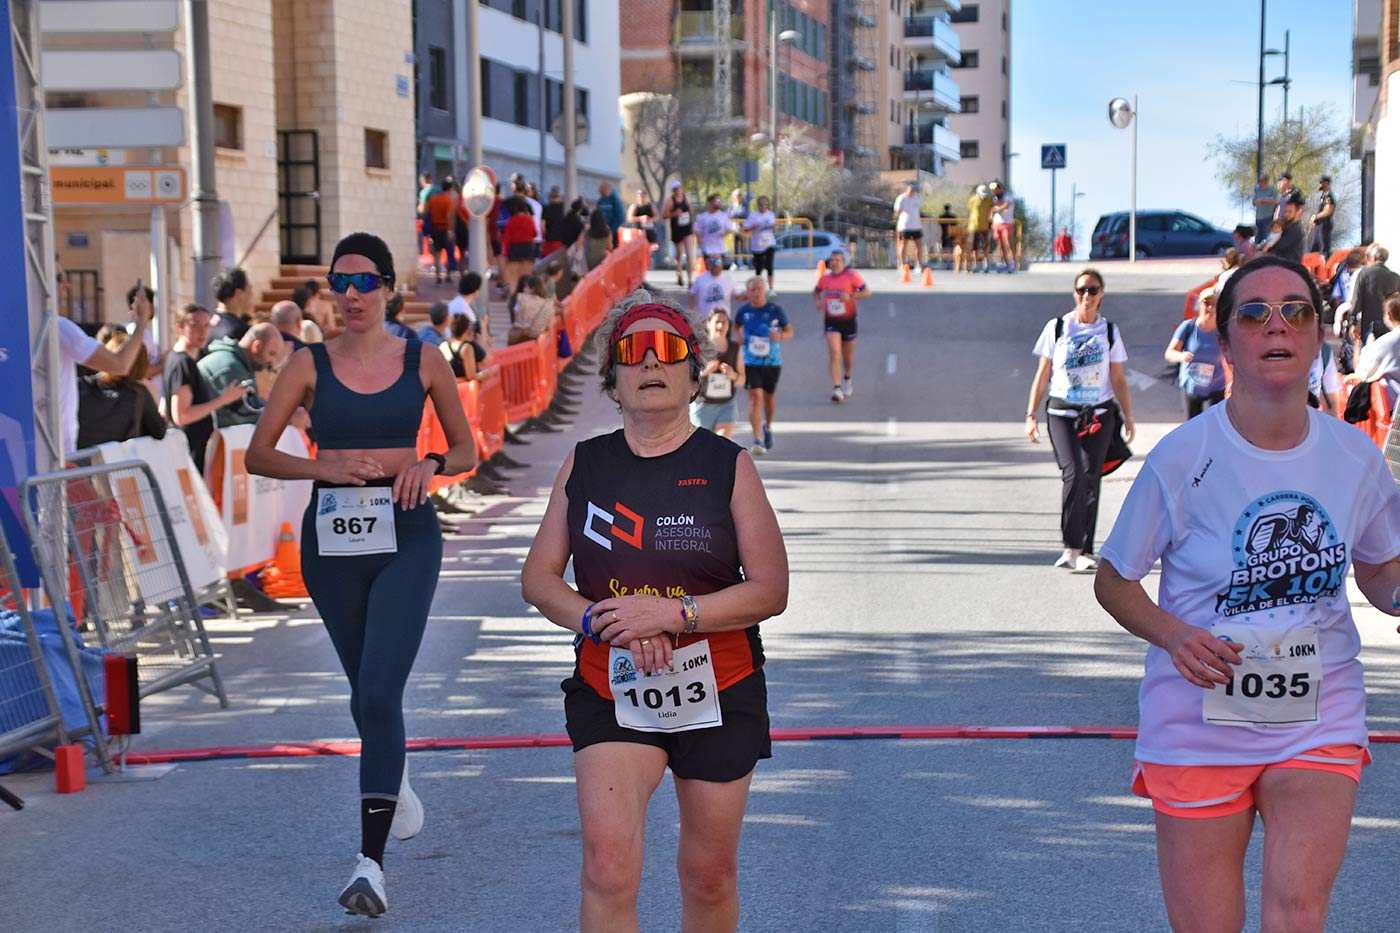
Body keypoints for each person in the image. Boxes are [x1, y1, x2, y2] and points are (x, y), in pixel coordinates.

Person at [1093, 254, 1400, 933]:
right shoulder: (1183, 457)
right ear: (1226, 343)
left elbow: (1381, 572)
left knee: (1298, 913)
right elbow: (1113, 578)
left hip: (1319, 714)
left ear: (1318, 336)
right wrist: (1175, 635)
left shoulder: (1355, 458)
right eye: (1255, 313)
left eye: (1296, 310)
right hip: (1198, 718)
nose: (1276, 325)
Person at [519, 292, 789, 933]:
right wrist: (602, 622)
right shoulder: (586, 463)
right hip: (611, 686)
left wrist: (673, 615)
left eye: (667, 349)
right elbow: (539, 580)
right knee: (607, 868)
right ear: (611, 380)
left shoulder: (728, 466)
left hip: (719, 686)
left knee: (708, 874)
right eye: (631, 351)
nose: (649, 362)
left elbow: (771, 589)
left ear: (694, 376)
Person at [245, 232, 476, 918]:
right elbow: (259, 454)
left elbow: (465, 447)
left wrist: (431, 464)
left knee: (378, 689)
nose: (351, 295)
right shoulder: (307, 362)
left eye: (364, 282)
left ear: (388, 288)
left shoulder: (423, 358)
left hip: (406, 533)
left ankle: (369, 865)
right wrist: (323, 465)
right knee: (365, 693)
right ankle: (391, 770)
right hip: (333, 538)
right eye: (339, 283)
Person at [1024, 268, 1136, 573]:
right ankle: (1070, 547)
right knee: (1073, 473)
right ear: (1074, 294)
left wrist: (1128, 416)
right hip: (1062, 412)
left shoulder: (1109, 331)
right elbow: (1043, 373)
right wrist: (1031, 414)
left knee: (1091, 477)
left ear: (1101, 294)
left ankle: (1084, 550)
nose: (1087, 295)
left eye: (1093, 290)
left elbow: (1118, 378)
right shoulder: (1058, 327)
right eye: (1081, 290)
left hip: (1098, 414)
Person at [56, 291, 153, 455]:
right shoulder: (59, 327)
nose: (66, 287)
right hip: (57, 450)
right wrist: (142, 322)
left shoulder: (82, 385)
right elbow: (121, 364)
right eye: (59, 280)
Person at [163, 303, 245, 470]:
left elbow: (164, 408)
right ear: (180, 328)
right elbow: (181, 415)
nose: (202, 332)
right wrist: (224, 399)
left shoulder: (177, 359)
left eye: (206, 325)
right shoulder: (182, 363)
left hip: (189, 449)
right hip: (191, 451)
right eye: (195, 325)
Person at [75, 331, 167, 450]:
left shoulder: (80, 385)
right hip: (116, 461)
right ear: (141, 365)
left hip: (79, 459)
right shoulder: (139, 394)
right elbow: (159, 432)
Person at [733, 276, 792, 455]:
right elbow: (736, 326)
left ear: (765, 290)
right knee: (755, 397)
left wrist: (780, 336)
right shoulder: (744, 311)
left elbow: (789, 331)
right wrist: (739, 337)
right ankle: (757, 439)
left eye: (759, 289)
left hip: (772, 361)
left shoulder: (775, 310)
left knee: (769, 398)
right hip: (750, 361)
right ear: (748, 292)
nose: (757, 292)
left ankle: (768, 426)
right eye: (753, 289)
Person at [197, 322, 286, 427]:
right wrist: (285, 418)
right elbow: (242, 415)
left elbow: (252, 404)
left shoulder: (239, 364)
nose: (272, 362)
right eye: (271, 354)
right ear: (257, 346)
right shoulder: (230, 367)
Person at [813, 249, 870, 403]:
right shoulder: (825, 278)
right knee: (835, 353)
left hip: (848, 321)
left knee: (847, 357)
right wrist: (818, 301)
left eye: (837, 260)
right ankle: (837, 388)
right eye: (832, 260)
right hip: (831, 321)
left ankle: (847, 378)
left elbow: (867, 292)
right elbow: (816, 291)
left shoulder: (852, 276)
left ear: (844, 263)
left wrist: (850, 296)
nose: (834, 263)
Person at [1165, 288, 1227, 419]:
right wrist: (1181, 356)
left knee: (1215, 425)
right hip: (1192, 388)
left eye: (1214, 304)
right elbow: (1169, 353)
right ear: (1199, 305)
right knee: (1192, 426)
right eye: (1206, 303)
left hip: (1216, 388)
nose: (1210, 307)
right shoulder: (1188, 327)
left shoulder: (1224, 330)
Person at [690, 309, 742, 438]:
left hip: (726, 405)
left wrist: (732, 375)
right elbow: (687, 378)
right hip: (703, 406)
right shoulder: (699, 348)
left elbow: (743, 379)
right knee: (703, 446)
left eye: (724, 322)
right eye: (717, 321)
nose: (720, 325)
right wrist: (704, 372)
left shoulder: (735, 348)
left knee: (721, 441)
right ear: (708, 324)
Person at [1351, 245, 1400, 341]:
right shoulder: (1395, 277)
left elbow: (1357, 299)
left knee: (1369, 348)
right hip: (1390, 324)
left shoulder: (1364, 274)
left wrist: (1352, 322)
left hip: (1369, 322)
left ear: (1373, 258)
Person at [501, 199, 540, 295]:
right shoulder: (529, 219)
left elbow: (507, 238)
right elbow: (535, 233)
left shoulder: (512, 220)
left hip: (515, 248)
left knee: (513, 273)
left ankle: (514, 293)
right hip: (528, 247)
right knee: (526, 273)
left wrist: (505, 252)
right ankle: (526, 293)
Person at [664, 181, 697, 287]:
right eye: (675, 189)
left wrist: (689, 214)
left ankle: (690, 279)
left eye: (679, 188)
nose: (678, 190)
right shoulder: (670, 200)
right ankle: (679, 274)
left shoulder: (686, 198)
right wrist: (674, 213)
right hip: (677, 230)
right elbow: (665, 215)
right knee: (679, 254)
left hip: (687, 229)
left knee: (689, 254)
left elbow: (691, 210)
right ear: (673, 190)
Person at [741, 195, 777, 291]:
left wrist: (774, 227)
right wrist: (753, 227)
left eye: (765, 204)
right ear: (758, 205)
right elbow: (744, 229)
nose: (763, 206)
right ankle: (759, 288)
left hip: (769, 243)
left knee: (769, 266)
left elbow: (774, 228)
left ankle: (771, 289)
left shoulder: (771, 214)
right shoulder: (753, 216)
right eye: (761, 204)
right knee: (759, 269)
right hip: (757, 245)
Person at [508, 274, 557, 345]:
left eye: (526, 287)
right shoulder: (548, 304)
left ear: (532, 289)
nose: (524, 289)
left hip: (518, 338)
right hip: (536, 341)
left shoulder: (520, 299)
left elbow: (515, 311)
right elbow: (550, 325)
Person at [425, 180, 457, 283]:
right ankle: (448, 275)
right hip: (445, 228)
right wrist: (451, 230)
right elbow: (449, 217)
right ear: (450, 189)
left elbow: (427, 212)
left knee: (437, 253)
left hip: (435, 228)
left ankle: (438, 276)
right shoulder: (448, 201)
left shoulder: (433, 199)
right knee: (449, 252)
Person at [208, 268, 253, 342]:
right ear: (239, 294)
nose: (252, 295)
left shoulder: (206, 325)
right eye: (249, 290)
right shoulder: (242, 331)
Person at [689, 253, 736, 319]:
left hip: (723, 320)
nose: (715, 264)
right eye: (712, 261)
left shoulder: (728, 280)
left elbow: (737, 296)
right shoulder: (700, 279)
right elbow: (691, 294)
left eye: (718, 261)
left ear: (722, 263)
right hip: (704, 320)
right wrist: (692, 311)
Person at [1266, 190, 1306, 263]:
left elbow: (1279, 246)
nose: (1286, 214)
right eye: (1285, 212)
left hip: (1289, 265)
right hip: (1281, 262)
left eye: (1290, 212)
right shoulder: (1287, 226)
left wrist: (1266, 248)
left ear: (1298, 211)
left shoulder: (1296, 229)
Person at [441, 313, 483, 380]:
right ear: (466, 330)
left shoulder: (443, 345)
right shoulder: (466, 348)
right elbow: (471, 376)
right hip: (462, 385)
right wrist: (487, 373)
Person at [893, 181, 924, 271]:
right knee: (903, 244)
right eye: (911, 189)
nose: (912, 191)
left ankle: (918, 264)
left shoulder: (917, 198)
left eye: (914, 189)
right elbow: (897, 211)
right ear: (907, 189)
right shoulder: (901, 198)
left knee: (918, 245)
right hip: (905, 226)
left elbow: (919, 208)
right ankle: (902, 264)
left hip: (916, 225)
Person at [694, 194, 731, 267]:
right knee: (709, 268)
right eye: (716, 201)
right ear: (710, 203)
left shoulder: (723, 216)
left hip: (719, 249)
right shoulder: (702, 217)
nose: (718, 203)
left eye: (719, 201)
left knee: (718, 268)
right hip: (707, 249)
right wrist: (699, 238)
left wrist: (724, 233)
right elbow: (696, 229)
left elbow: (729, 228)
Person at [966, 184, 993, 273]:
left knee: (985, 246)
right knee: (974, 247)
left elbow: (992, 210)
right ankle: (976, 265)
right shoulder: (973, 200)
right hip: (974, 227)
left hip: (985, 227)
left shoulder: (989, 200)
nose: (983, 196)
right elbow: (970, 210)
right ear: (978, 193)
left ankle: (986, 265)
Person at [989, 182, 1016, 272]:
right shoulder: (995, 198)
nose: (995, 191)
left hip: (1006, 223)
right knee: (1000, 245)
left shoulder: (1008, 196)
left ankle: (1012, 264)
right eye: (993, 190)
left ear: (1001, 189)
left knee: (1008, 243)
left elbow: (1006, 206)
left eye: (996, 189)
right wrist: (991, 216)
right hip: (997, 224)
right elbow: (992, 209)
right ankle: (1006, 264)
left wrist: (996, 209)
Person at [1308, 176, 1336, 255]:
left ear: (1326, 183)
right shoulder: (1323, 195)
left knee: (1324, 249)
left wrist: (1315, 217)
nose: (1319, 184)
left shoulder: (1329, 196)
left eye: (1321, 182)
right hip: (1319, 225)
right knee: (1314, 249)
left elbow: (1328, 211)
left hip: (1324, 225)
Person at [626, 188, 658, 253]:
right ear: (637, 196)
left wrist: (650, 219)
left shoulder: (651, 206)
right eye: (639, 195)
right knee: (639, 250)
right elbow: (629, 218)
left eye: (643, 195)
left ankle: (649, 257)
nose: (641, 197)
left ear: (645, 196)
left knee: (652, 248)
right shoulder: (634, 206)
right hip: (638, 231)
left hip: (649, 230)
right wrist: (640, 218)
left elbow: (657, 217)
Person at [595, 181, 625, 246]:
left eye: (602, 192)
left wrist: (612, 230)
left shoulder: (615, 199)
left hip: (613, 232)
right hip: (604, 231)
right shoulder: (601, 200)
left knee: (613, 248)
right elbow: (598, 215)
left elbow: (620, 217)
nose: (601, 194)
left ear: (607, 189)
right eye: (600, 193)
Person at [1252, 173, 1278, 241]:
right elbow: (1253, 202)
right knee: (1257, 238)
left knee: (1266, 238)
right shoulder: (1257, 190)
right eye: (1259, 181)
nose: (1260, 183)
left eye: (1262, 181)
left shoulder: (1272, 189)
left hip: (1268, 218)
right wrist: (1256, 201)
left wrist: (1265, 200)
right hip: (1258, 218)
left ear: (1266, 182)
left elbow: (1276, 201)